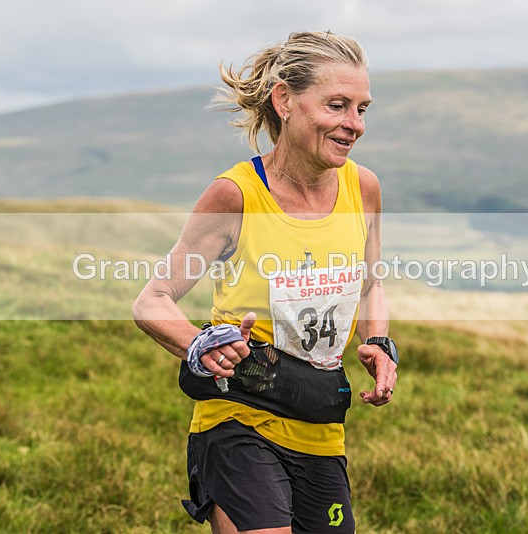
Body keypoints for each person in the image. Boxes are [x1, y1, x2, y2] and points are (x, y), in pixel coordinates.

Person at [133, 30, 398, 533]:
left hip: (320, 424)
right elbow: (153, 301)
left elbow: (369, 285)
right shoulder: (235, 194)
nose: (354, 125)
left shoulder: (363, 187)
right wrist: (200, 345)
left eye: (362, 109)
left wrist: (377, 340)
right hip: (240, 416)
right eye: (338, 105)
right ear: (284, 100)